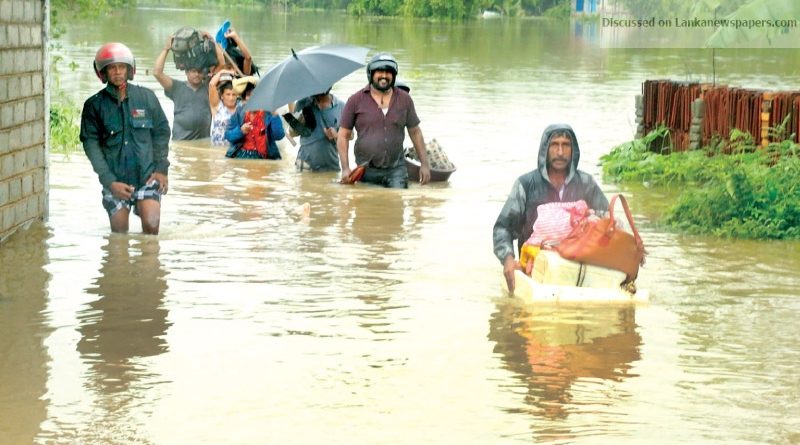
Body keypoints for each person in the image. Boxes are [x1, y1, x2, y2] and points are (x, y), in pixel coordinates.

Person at [493, 124, 609, 293]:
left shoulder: (586, 184)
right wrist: (508, 259)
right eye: (554, 145)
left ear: (573, 150)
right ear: (544, 150)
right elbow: (503, 228)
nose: (560, 152)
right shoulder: (526, 184)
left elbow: (608, 222)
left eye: (565, 145)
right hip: (535, 274)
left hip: (577, 277)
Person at [80, 42, 171, 235]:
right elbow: (91, 147)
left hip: (147, 176)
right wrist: (110, 182)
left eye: (122, 67)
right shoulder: (93, 106)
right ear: (102, 73)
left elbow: (162, 132)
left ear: (130, 70)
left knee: (152, 226)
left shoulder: (146, 97)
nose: (117, 72)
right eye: (112, 68)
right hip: (115, 180)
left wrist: (162, 169)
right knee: (119, 238)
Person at [337, 53, 431, 188]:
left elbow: (415, 132)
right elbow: (343, 135)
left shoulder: (405, 99)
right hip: (366, 170)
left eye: (389, 72)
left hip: (396, 170)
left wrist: (424, 164)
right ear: (370, 74)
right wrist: (345, 168)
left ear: (394, 75)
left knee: (396, 203)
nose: (384, 76)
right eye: (380, 71)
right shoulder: (355, 100)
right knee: (368, 207)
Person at [154, 32, 224, 140]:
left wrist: (213, 41)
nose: (197, 74)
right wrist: (166, 49)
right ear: (186, 72)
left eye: (200, 72)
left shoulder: (209, 87)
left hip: (203, 142)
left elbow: (222, 65)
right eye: (193, 71)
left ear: (204, 73)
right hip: (181, 142)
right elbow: (157, 73)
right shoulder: (176, 87)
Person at [224, 76, 286, 159]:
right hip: (242, 156)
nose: (252, 99)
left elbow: (279, 136)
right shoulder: (239, 113)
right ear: (245, 99)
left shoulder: (269, 114)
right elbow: (228, 136)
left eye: (255, 96)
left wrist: (274, 114)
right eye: (249, 95)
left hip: (264, 158)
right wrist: (241, 131)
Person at [284, 88, 344, 172]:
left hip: (330, 164)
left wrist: (336, 134)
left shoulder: (341, 106)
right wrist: (300, 121)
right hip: (304, 163)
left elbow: (350, 135)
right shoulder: (302, 103)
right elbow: (292, 133)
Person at [208, 67, 238, 146]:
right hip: (217, 152)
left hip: (234, 150)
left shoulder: (241, 108)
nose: (231, 98)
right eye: (228, 94)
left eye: (234, 95)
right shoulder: (217, 107)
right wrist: (222, 71)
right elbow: (211, 84)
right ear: (222, 96)